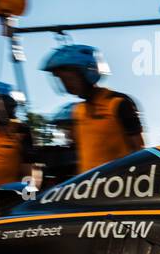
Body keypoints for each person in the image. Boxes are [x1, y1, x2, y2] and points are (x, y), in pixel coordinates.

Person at [41, 44, 144, 173]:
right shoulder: (78, 111)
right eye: (61, 80)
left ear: (87, 72)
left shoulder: (118, 103)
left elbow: (139, 149)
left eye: (68, 79)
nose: (66, 85)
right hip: (88, 188)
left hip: (117, 186)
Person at [0, 82, 34, 188]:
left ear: (7, 104)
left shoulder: (21, 130)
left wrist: (27, 194)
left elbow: (28, 168)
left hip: (4, 197)